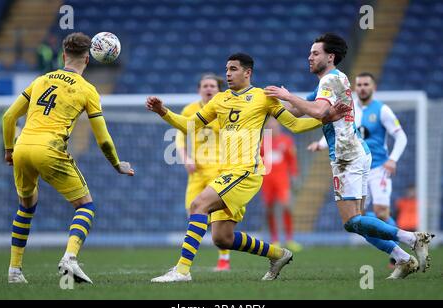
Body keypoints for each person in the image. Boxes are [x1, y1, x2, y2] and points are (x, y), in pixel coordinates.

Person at [146, 52, 349, 283]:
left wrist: (326, 117)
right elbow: (190, 125)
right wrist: (164, 111)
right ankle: (278, 254)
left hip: (246, 172)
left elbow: (294, 124)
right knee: (222, 238)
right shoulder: (220, 100)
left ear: (247, 72)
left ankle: (182, 271)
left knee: (198, 204)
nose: (228, 74)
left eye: (233, 69)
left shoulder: (263, 97)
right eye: (226, 69)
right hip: (228, 173)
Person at [264, 32, 433, 279]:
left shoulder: (330, 81)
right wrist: (267, 106)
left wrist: (288, 95)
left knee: (351, 221)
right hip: (356, 152)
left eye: (315, 53)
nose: (309, 57)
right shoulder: (330, 81)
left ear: (330, 56)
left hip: (346, 156)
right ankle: (403, 258)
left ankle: (412, 238)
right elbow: (297, 111)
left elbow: (318, 111)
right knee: (360, 221)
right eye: (310, 52)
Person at [2, 32, 134, 284]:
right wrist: (117, 164)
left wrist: (9, 150)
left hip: (22, 147)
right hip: (49, 148)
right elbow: (103, 138)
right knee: (86, 206)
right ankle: (70, 259)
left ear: (63, 55)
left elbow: (9, 117)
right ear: (87, 59)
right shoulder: (87, 89)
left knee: (26, 207)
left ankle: (15, 271)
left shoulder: (41, 80)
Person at [308, 72, 408, 267]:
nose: (362, 88)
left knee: (381, 212)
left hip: (379, 168)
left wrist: (393, 160)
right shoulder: (351, 107)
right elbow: (343, 129)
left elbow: (401, 137)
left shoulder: (382, 110)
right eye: (359, 85)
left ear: (373, 88)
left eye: (366, 84)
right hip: (356, 165)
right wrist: (320, 144)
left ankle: (397, 254)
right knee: (358, 216)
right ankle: (399, 251)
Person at [175, 73, 234, 271]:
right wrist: (186, 159)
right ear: (199, 89)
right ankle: (187, 261)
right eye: (204, 86)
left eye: (212, 86)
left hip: (218, 169)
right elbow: (180, 137)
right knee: (192, 211)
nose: (208, 89)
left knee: (218, 215)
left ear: (219, 90)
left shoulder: (225, 110)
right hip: (196, 172)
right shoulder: (190, 110)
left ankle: (223, 260)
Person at [261, 118, 302, 252]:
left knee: (287, 206)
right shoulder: (262, 141)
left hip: (282, 179)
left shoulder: (286, 140)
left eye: (275, 125)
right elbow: (257, 159)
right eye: (270, 126)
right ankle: (275, 239)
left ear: (279, 126)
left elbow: (292, 160)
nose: (273, 128)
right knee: (269, 208)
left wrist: (294, 175)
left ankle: (289, 239)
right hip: (267, 180)